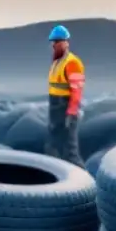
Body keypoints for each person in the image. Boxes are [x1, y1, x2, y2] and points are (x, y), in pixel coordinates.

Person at [45, 24, 85, 166]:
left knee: (70, 152)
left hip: (66, 110)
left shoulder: (72, 63)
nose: (54, 45)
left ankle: (86, 184)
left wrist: (71, 113)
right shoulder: (57, 63)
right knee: (53, 149)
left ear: (65, 43)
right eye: (53, 42)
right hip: (55, 110)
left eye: (57, 42)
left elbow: (77, 90)